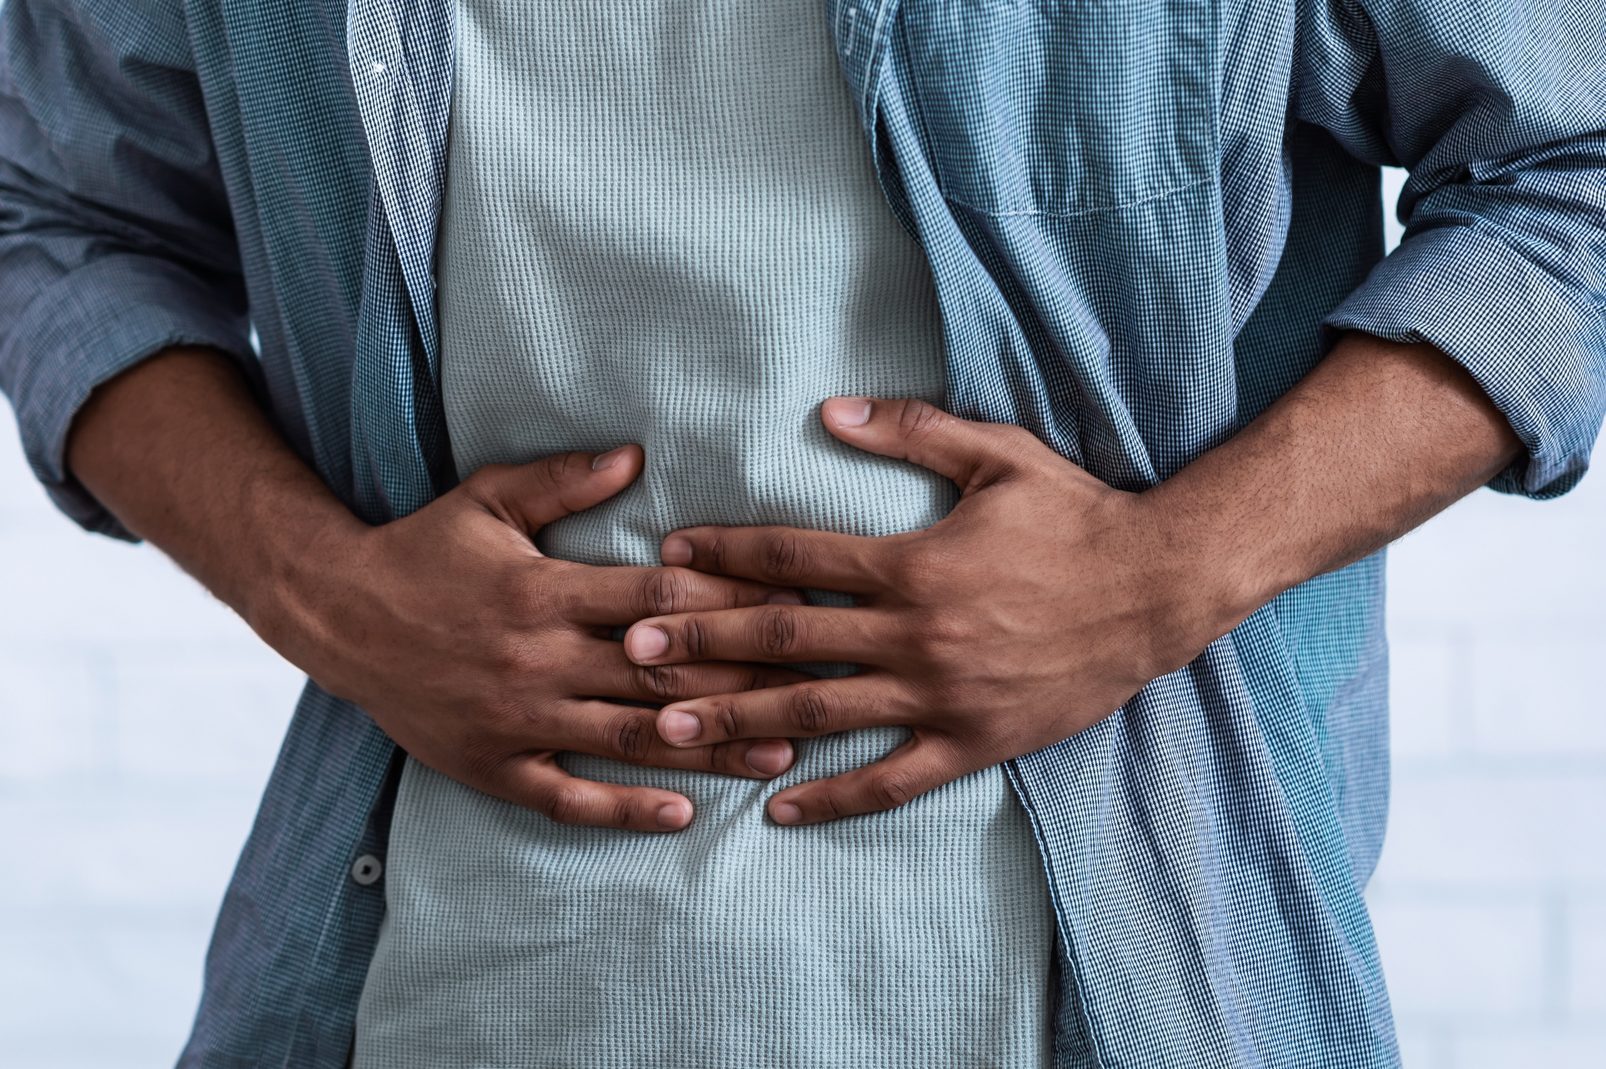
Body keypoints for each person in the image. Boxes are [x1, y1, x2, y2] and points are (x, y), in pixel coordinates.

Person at [1, 0, 1601, 1065]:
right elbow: (64, 218)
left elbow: (1571, 169)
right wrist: (326, 594)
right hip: (443, 990)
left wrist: (1156, 576)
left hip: (1117, 994)